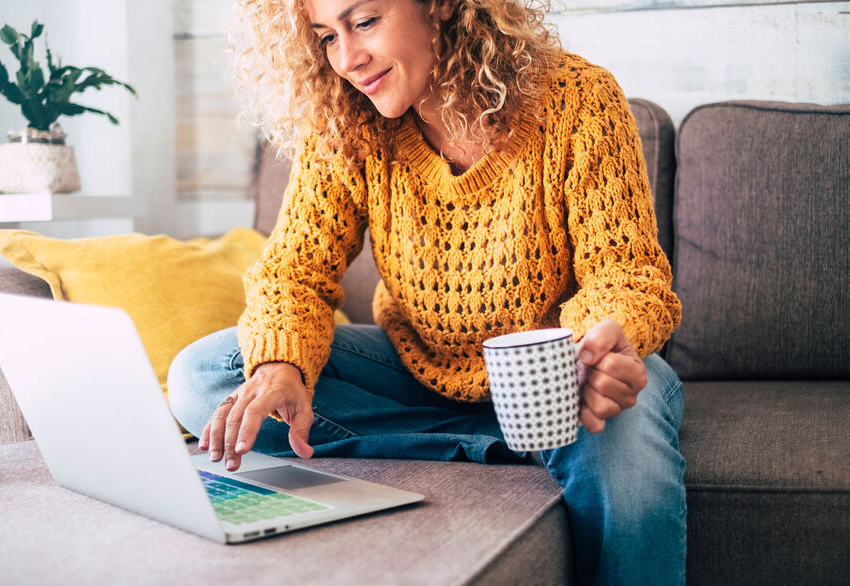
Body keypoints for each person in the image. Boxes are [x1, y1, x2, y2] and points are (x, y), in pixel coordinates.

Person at [167, 0, 686, 583]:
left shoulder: (578, 99)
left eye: (363, 22)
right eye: (325, 38)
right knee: (204, 375)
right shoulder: (346, 121)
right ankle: (508, 443)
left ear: (439, 6)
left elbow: (626, 275)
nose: (347, 59)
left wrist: (597, 347)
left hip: (560, 378)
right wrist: (281, 364)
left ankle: (535, 435)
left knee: (622, 428)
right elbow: (294, 272)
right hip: (419, 370)